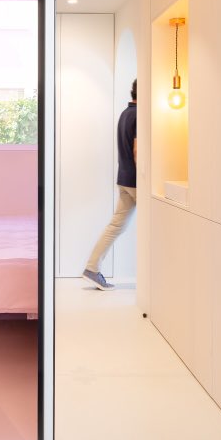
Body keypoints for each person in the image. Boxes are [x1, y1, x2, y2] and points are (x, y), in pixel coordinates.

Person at [82, 79, 137, 290]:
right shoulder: (139, 115)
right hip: (136, 182)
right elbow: (137, 151)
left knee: (115, 226)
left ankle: (92, 268)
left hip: (123, 179)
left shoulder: (125, 113)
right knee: (154, 228)